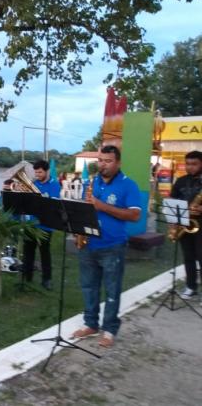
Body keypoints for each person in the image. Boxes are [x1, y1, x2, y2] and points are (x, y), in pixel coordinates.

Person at [70, 145, 140, 348]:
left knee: (112, 290)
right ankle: (91, 324)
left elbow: (135, 215)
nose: (103, 165)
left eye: (108, 161)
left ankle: (109, 330)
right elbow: (85, 211)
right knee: (88, 287)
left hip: (113, 246)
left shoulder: (129, 185)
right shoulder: (92, 183)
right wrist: (79, 232)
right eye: (100, 160)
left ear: (118, 163)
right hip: (89, 244)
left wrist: (102, 206)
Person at [22, 160, 61, 290]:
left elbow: (53, 205)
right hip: (31, 223)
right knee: (28, 251)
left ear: (46, 171)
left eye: (40, 172)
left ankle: (46, 279)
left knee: (45, 252)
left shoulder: (54, 185)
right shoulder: (33, 184)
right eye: (36, 172)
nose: (37, 174)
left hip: (45, 224)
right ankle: (27, 277)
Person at [169, 150, 202, 301]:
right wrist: (173, 223)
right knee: (188, 257)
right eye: (188, 164)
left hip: (200, 224)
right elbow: (173, 201)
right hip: (185, 224)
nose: (190, 167)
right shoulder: (181, 181)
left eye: (194, 164)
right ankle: (191, 286)